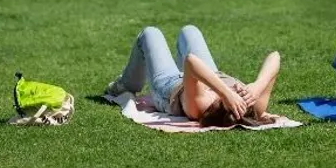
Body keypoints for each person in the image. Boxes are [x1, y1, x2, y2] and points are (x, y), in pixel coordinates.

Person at [104, 25, 281, 127]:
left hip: (170, 85)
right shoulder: (254, 103)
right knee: (189, 30)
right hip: (208, 75)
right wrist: (258, 86)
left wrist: (227, 93)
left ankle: (124, 85)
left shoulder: (201, 106)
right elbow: (275, 56)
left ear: (224, 102)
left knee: (150, 33)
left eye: (235, 94)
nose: (238, 88)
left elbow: (190, 62)